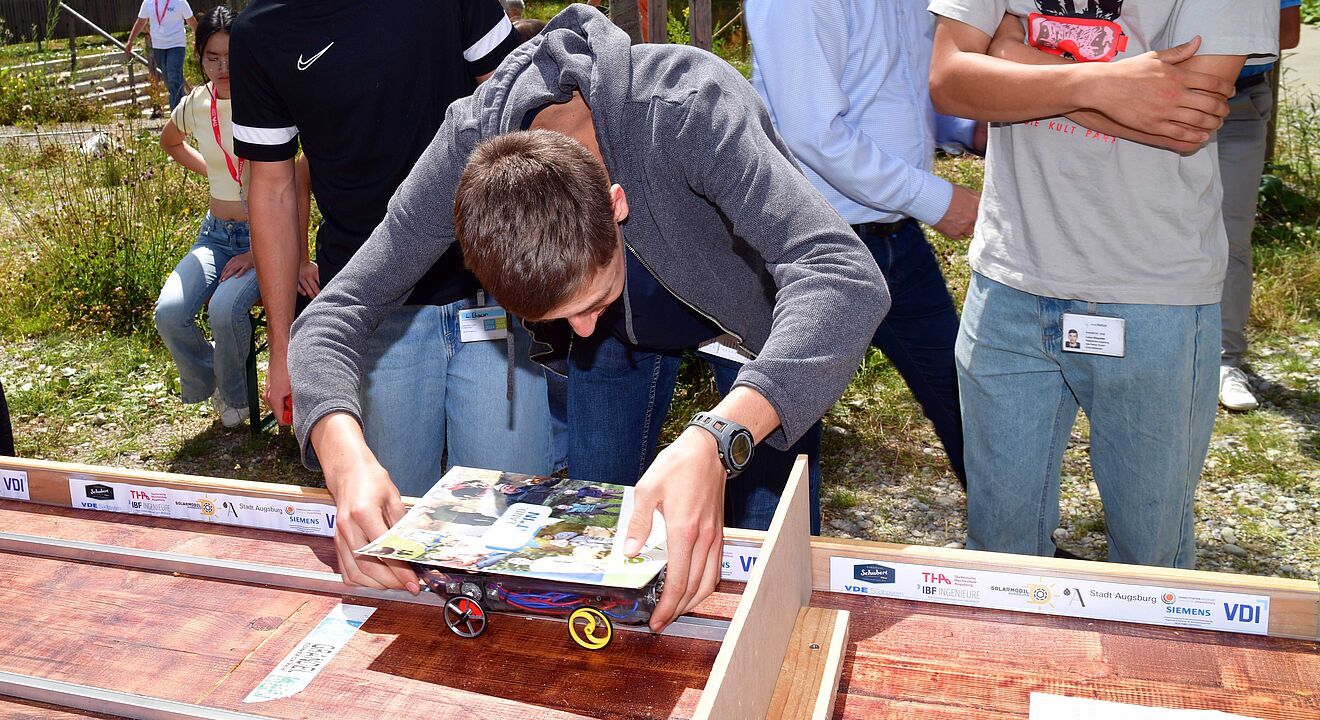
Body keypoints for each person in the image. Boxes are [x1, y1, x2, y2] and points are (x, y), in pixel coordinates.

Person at [286, 5, 888, 631]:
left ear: (616, 202)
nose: (580, 330)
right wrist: (345, 459)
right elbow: (334, 314)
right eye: (559, 316)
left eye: (590, 303)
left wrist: (720, 436)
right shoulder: (466, 155)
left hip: (756, 327)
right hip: (629, 338)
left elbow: (844, 276)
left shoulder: (690, 107)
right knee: (598, 560)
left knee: (766, 564)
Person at [928, 0, 1277, 568]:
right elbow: (950, 81)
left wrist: (1013, 57)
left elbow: (1185, 121)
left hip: (1153, 293)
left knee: (1149, 565)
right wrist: (1104, 84)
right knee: (997, 556)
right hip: (1008, 278)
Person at [230, 0, 553, 571]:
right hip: (369, 317)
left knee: (511, 535)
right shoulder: (261, 31)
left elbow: (515, 103)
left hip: (491, 294)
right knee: (395, 543)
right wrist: (283, 348)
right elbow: (273, 189)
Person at [745, 0, 979, 487]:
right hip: (811, 246)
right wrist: (936, 199)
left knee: (968, 402)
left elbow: (894, 86)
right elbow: (812, 132)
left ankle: (1009, 532)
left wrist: (967, 127)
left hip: (897, 238)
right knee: (781, 433)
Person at [153, 6, 315, 428]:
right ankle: (214, 377)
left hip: (264, 238)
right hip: (215, 236)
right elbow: (169, 142)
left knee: (224, 310)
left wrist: (285, 256)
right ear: (199, 57)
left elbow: (295, 183)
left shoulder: (266, 98)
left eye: (232, 56)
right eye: (212, 58)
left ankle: (236, 398)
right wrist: (213, 172)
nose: (223, 68)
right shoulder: (195, 103)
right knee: (169, 312)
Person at [1218, 0, 1302, 412]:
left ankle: (1224, 361)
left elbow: (1287, 32)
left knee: (1230, 236)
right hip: (1154, 95)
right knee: (1143, 226)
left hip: (1239, 102)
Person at [124, 0, 197, 110]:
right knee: (169, 81)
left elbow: (191, 20)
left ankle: (176, 115)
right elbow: (140, 22)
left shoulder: (180, 2)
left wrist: (199, 40)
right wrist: (130, 41)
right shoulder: (148, 2)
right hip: (158, 46)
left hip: (176, 45)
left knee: (173, 78)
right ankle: (184, 110)